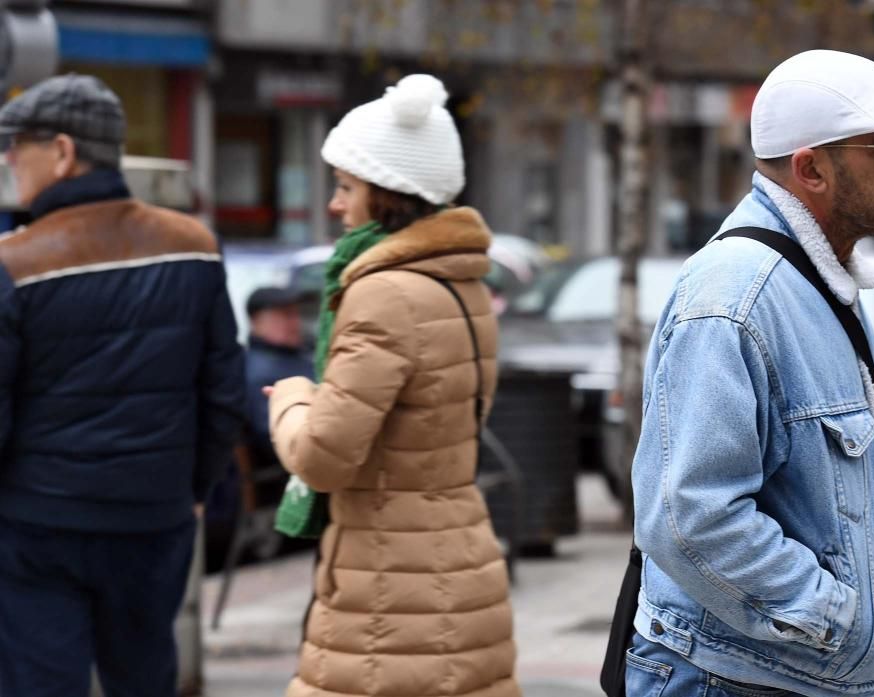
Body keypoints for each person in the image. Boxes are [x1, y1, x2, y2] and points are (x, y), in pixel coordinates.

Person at [627, 50, 874, 697]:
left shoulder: (820, 285)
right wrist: (837, 618)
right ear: (812, 169)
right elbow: (688, 519)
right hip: (737, 682)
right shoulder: (734, 297)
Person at [267, 74, 521, 697]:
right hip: (457, 561)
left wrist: (294, 398)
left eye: (346, 187)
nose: (335, 204)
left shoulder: (382, 294)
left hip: (390, 586)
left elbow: (322, 457)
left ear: (387, 195)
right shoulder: (459, 282)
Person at [0, 74, 244, 697]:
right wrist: (193, 487)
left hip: (39, 522)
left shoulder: (15, 263)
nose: (7, 160)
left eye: (16, 145)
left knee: (40, 681)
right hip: (153, 516)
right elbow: (221, 388)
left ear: (61, 151)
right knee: (144, 678)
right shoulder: (194, 246)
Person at [244, 286, 313, 473]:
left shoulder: (300, 355)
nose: (295, 322)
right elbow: (269, 435)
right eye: (285, 315)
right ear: (256, 321)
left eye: (296, 314)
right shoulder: (257, 370)